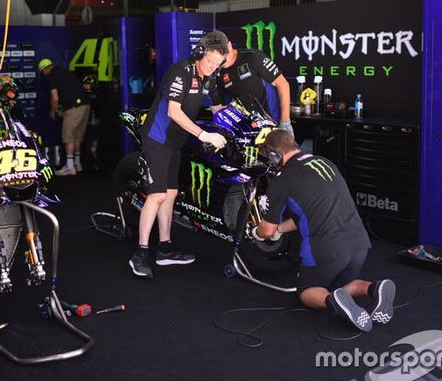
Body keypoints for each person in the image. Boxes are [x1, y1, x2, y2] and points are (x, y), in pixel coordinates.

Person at [253, 129, 395, 332]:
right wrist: (281, 230)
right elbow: (309, 213)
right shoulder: (324, 162)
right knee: (342, 286)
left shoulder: (282, 179)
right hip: (359, 245)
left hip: (326, 250)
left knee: (307, 292)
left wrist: (257, 232)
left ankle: (332, 300)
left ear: (275, 156)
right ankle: (374, 288)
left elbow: (266, 231)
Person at [128, 30, 229, 279]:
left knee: (171, 194)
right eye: (209, 62)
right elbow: (174, 111)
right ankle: (140, 252)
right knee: (158, 194)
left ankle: (164, 248)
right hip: (158, 137)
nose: (212, 68)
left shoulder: (211, 76)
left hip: (176, 141)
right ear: (199, 54)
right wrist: (204, 135)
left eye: (218, 64)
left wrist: (241, 123)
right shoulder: (181, 71)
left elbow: (218, 108)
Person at [217, 41, 293, 135]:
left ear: (229, 45)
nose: (221, 59)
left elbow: (283, 84)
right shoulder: (219, 72)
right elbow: (223, 106)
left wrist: (285, 122)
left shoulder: (253, 56)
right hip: (249, 128)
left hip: (274, 121)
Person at [38, 58, 90, 176]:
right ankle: (77, 164)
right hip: (85, 105)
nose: (44, 75)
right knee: (77, 137)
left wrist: (52, 111)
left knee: (68, 137)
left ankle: (70, 167)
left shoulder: (51, 76)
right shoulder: (65, 72)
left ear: (45, 69)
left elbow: (54, 97)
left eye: (42, 72)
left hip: (74, 108)